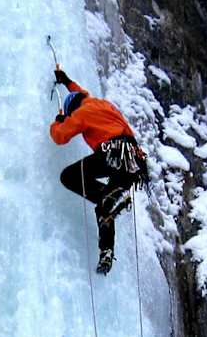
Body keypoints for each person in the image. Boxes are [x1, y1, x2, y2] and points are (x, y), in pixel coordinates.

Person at [49, 69, 148, 275]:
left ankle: (107, 198)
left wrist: (59, 121)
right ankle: (106, 251)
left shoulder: (82, 113)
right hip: (135, 162)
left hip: (113, 153)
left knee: (69, 176)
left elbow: (60, 136)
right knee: (105, 207)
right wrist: (67, 80)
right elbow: (81, 93)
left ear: (73, 110)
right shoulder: (102, 104)